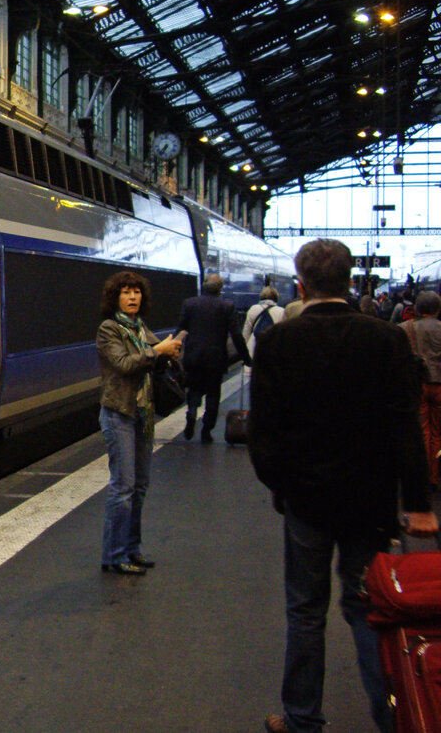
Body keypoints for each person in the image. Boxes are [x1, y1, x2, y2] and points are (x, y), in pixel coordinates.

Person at [249, 239, 438, 733]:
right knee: (369, 608)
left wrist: (285, 486)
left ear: (302, 284)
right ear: (350, 281)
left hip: (306, 503)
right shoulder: (385, 340)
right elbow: (405, 426)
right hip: (370, 502)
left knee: (306, 611)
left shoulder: (278, 343)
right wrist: (417, 502)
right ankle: (394, 717)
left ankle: (302, 718)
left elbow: (263, 434)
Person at [96, 271, 183, 576]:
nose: (133, 297)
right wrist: (157, 351)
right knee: (123, 487)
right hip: (119, 413)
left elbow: (154, 356)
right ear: (115, 298)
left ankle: (132, 548)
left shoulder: (141, 328)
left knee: (140, 486)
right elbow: (125, 364)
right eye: (126, 292)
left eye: (137, 292)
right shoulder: (109, 330)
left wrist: (170, 351)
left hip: (142, 416)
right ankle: (114, 555)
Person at [177, 273, 252, 443]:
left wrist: (173, 352)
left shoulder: (189, 304)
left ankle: (191, 413)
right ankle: (206, 430)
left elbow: (180, 330)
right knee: (213, 395)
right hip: (215, 360)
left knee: (194, 390)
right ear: (221, 288)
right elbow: (236, 335)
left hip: (193, 357)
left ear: (204, 285)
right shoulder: (227, 306)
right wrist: (246, 357)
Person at [403, 289, 441, 486]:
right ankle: (435, 475)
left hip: (417, 387)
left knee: (422, 431)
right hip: (439, 386)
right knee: (438, 433)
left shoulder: (404, 329)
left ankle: (423, 475)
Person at [243, 286, 285, 355]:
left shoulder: (253, 309)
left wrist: (244, 353)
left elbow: (246, 332)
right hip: (273, 350)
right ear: (276, 297)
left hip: (254, 348)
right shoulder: (281, 311)